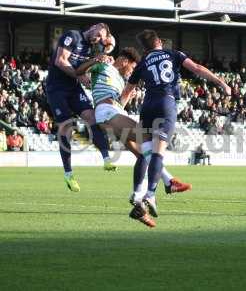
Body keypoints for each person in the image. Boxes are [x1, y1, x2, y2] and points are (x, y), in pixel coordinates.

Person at [124, 29, 231, 227]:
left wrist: (116, 112)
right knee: (158, 153)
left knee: (146, 153)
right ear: (159, 42)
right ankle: (150, 193)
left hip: (147, 106)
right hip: (166, 103)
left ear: (145, 47)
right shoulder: (174, 54)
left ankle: (143, 192)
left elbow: (128, 91)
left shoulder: (142, 63)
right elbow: (197, 68)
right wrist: (220, 82)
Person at [76, 47, 192, 227]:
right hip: (107, 112)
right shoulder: (104, 66)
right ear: (123, 61)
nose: (131, 71)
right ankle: (167, 182)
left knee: (142, 156)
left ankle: (138, 206)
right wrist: (95, 60)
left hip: (113, 113)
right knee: (149, 143)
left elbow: (117, 98)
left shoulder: (121, 81)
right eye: (131, 67)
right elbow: (79, 71)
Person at [46, 23, 117, 193]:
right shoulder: (72, 35)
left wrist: (107, 51)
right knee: (67, 128)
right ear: (94, 26)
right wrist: (80, 76)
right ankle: (68, 174)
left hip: (74, 88)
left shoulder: (92, 48)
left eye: (101, 37)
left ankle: (107, 158)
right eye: (98, 34)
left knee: (92, 117)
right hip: (57, 88)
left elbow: (106, 48)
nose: (98, 38)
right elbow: (60, 61)